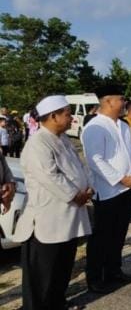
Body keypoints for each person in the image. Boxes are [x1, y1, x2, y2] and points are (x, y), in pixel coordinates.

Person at [15, 95, 91, 310]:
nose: (72, 118)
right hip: (48, 219)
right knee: (42, 276)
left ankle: (57, 304)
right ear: (53, 116)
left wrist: (87, 187)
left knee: (62, 269)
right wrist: (76, 195)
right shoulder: (38, 143)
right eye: (67, 114)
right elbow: (50, 177)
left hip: (68, 216)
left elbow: (79, 167)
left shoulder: (63, 139)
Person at [82, 85, 131, 294]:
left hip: (126, 190)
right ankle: (95, 277)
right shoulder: (95, 127)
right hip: (107, 191)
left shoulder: (124, 125)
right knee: (102, 236)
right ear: (108, 101)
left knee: (119, 233)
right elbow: (95, 159)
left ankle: (114, 271)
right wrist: (120, 179)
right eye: (121, 99)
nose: (124, 102)